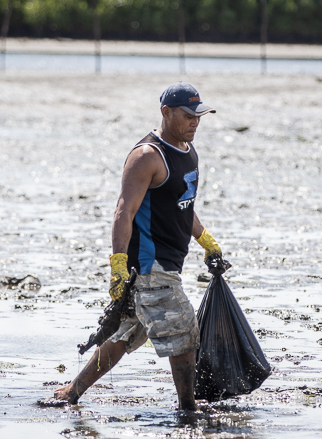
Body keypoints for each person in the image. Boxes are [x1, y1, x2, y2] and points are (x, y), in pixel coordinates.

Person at [54, 82, 224, 412]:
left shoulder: (188, 152)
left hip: (170, 261)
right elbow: (124, 210)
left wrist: (206, 241)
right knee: (184, 330)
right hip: (149, 265)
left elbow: (183, 205)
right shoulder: (147, 156)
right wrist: (118, 264)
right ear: (166, 112)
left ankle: (73, 391)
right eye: (188, 116)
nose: (195, 122)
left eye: (199, 116)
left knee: (126, 333)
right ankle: (188, 408)